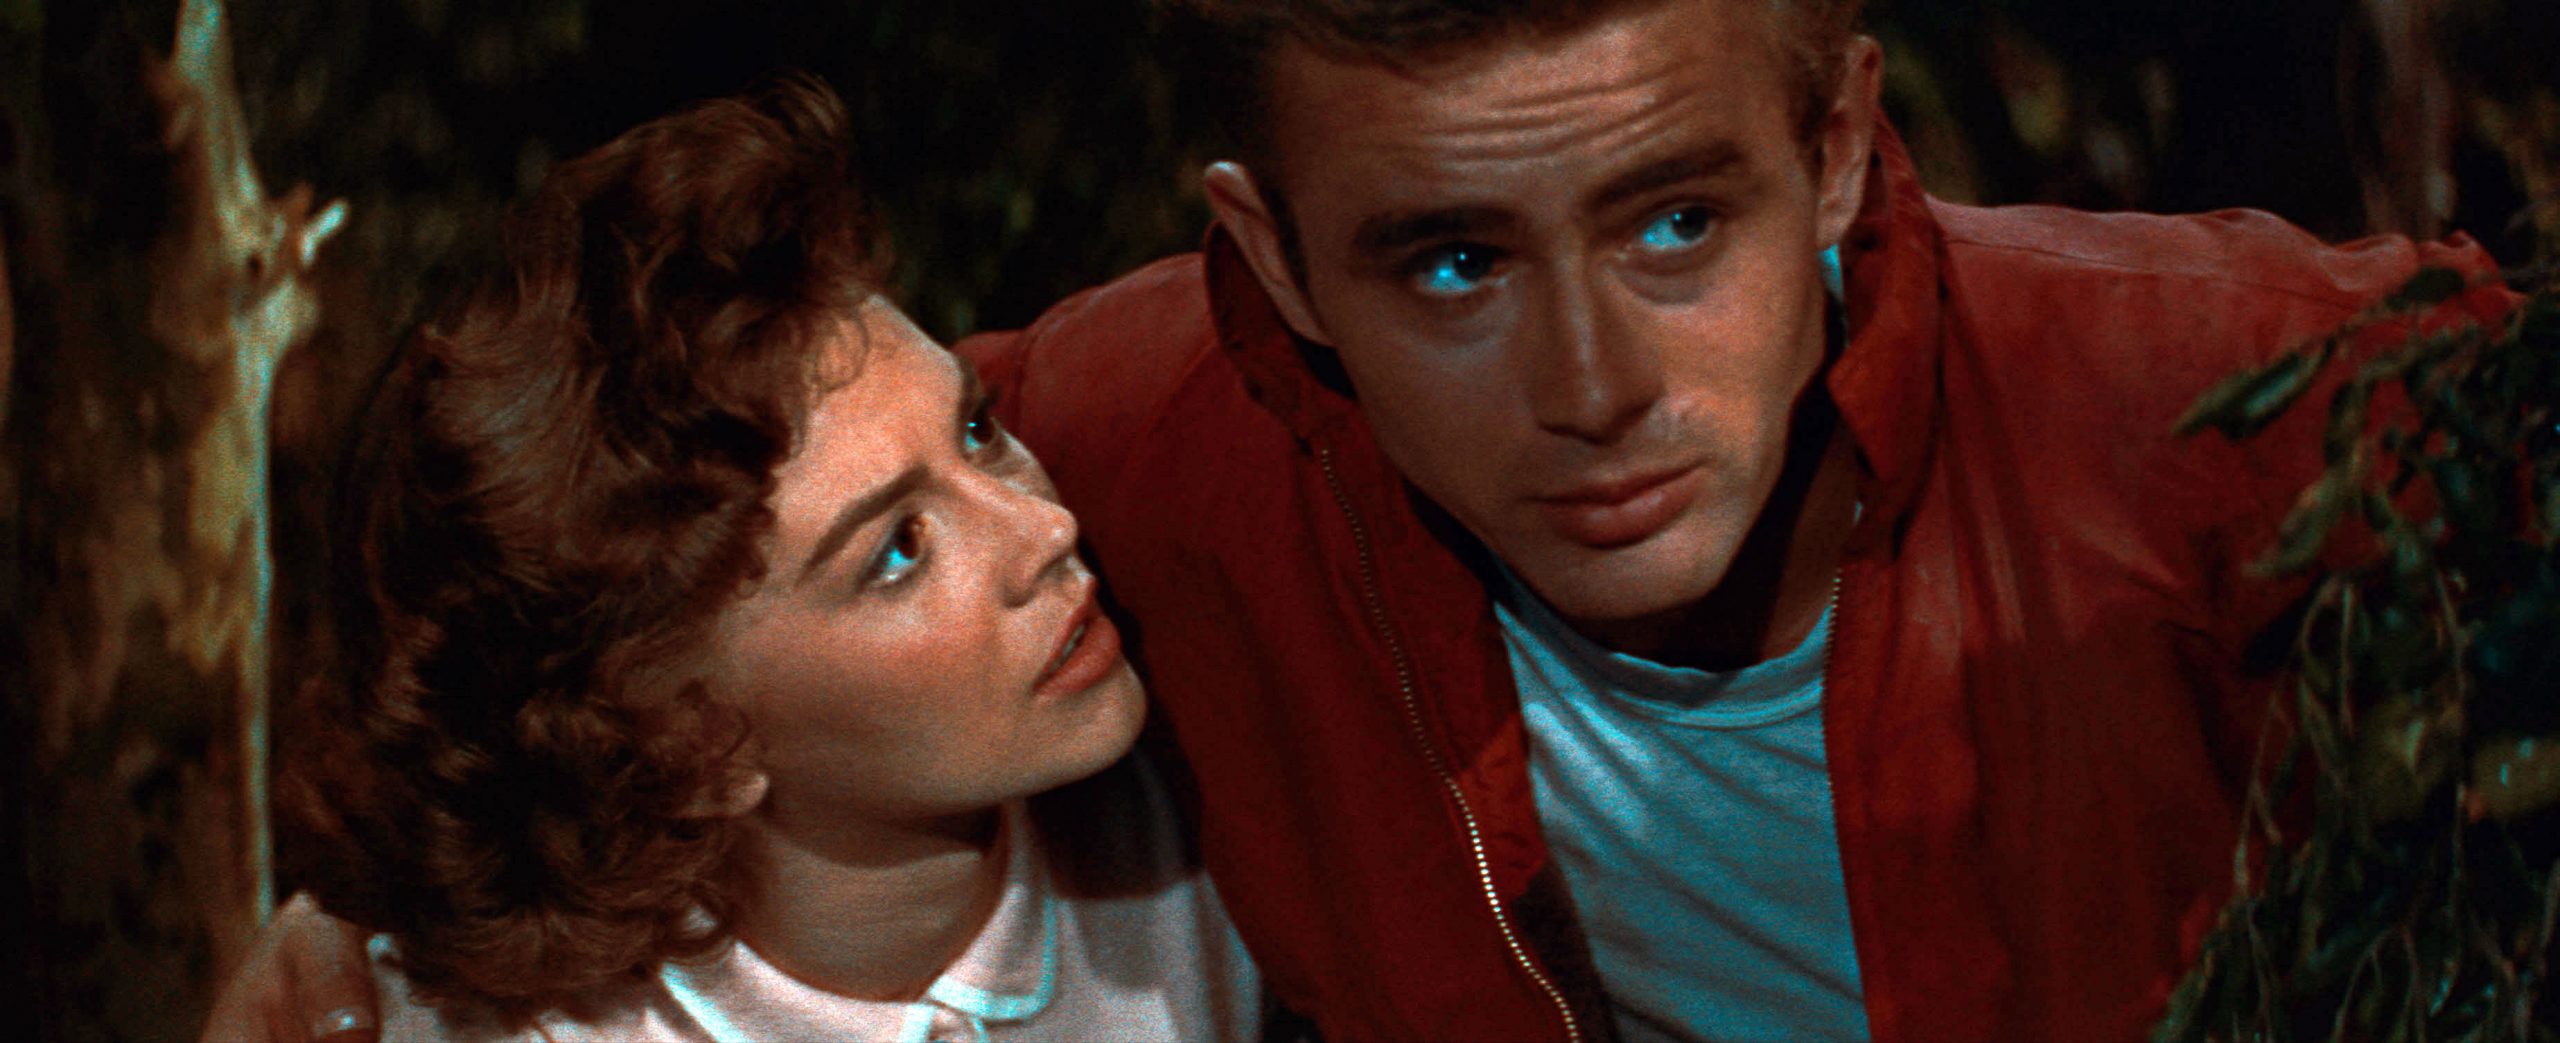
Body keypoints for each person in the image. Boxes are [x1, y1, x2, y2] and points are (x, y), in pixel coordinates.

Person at [212, 1, 2517, 1040]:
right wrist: (349, 944)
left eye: (1675, 223)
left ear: (1829, 149)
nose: (1590, 386)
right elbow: (672, 564)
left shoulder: (2227, 399)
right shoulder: (1147, 452)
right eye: (1442, 265)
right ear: (1273, 263)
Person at [207, 77, 1257, 1042]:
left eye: (977, 431)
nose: (1044, 529)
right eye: (898, 550)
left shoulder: (1206, 814)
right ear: (692, 741)